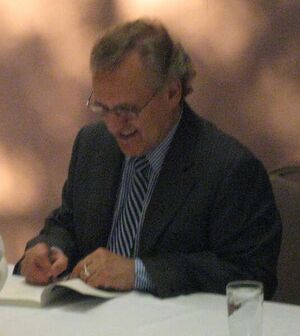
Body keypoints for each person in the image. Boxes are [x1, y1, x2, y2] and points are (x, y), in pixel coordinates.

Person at [15, 18, 282, 299]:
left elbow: (251, 275)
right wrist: (49, 248)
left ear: (172, 92)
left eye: (128, 110)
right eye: (103, 108)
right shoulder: (93, 144)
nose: (114, 126)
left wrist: (139, 272)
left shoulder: (230, 169)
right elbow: (67, 223)